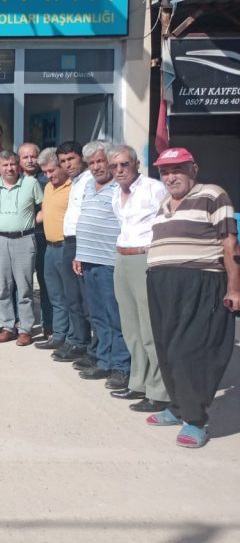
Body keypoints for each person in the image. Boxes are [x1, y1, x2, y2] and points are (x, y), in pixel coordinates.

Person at [144, 147, 240, 449]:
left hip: (199, 281)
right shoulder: (164, 203)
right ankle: (178, 407)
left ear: (193, 169)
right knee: (167, 348)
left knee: (191, 351)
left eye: (178, 170)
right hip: (161, 283)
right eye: (165, 172)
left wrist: (234, 288)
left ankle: (196, 421)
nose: (170, 177)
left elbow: (230, 244)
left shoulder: (213, 194)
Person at [108, 144, 169, 412]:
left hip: (144, 258)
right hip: (122, 257)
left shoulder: (154, 188)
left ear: (136, 164)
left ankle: (159, 391)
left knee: (149, 328)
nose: (119, 170)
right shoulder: (115, 193)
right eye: (114, 166)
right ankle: (139, 382)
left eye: (124, 164)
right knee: (131, 327)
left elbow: (169, 220)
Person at [72, 141, 129, 389]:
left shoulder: (120, 187)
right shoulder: (88, 185)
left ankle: (121, 366)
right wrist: (79, 255)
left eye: (100, 161)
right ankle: (104, 361)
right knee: (98, 316)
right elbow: (85, 221)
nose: (96, 167)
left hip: (109, 262)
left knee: (115, 317)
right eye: (91, 163)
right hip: (88, 260)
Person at [0, 150, 43, 345]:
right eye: (5, 165)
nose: (9, 168)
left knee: (24, 288)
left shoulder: (31, 183)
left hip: (24, 240)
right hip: (0, 240)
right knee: (3, 287)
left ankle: (25, 329)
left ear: (18, 166)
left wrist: (31, 222)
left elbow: (44, 208)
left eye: (12, 164)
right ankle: (8, 327)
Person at [51, 141, 94, 366]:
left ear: (82, 158)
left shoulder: (90, 181)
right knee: (72, 296)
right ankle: (79, 340)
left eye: (71, 159)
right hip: (69, 242)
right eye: (63, 161)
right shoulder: (74, 182)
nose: (67, 165)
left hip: (82, 242)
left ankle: (92, 346)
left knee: (85, 298)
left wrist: (82, 249)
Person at [35, 148, 72, 351]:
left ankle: (73, 339)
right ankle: (58, 335)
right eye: (45, 172)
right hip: (50, 247)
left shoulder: (73, 187)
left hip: (67, 247)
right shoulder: (48, 187)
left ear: (61, 165)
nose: (48, 176)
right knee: (55, 295)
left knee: (71, 296)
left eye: (51, 170)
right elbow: (44, 213)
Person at [18, 142, 50, 335]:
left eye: (33, 156)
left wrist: (29, 221)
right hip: (19, 239)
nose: (30, 160)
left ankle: (48, 324)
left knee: (45, 282)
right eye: (25, 157)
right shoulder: (15, 180)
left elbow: (47, 208)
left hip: (42, 236)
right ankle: (21, 323)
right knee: (20, 283)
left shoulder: (46, 180)